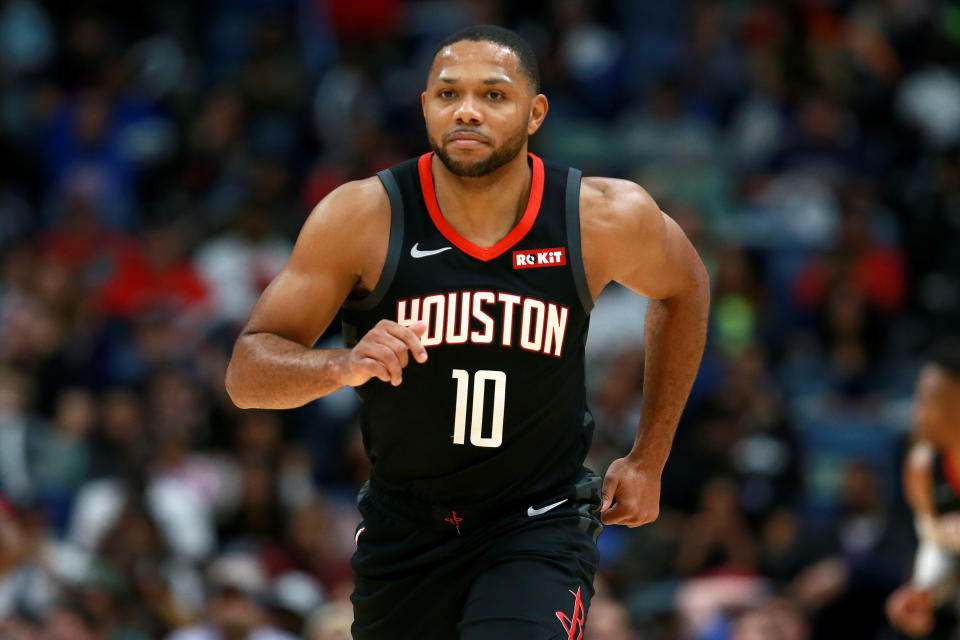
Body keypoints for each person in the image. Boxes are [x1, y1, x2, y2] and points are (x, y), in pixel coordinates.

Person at [225, 25, 709, 639]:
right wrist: (340, 365)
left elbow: (685, 287)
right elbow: (247, 374)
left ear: (535, 113)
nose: (468, 111)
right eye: (448, 94)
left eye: (494, 95)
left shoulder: (601, 216)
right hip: (407, 527)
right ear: (425, 106)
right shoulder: (361, 218)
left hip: (538, 522)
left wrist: (649, 456)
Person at [886, 341, 960, 638]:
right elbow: (939, 544)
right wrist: (924, 588)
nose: (918, 412)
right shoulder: (922, 467)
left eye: (929, 401)